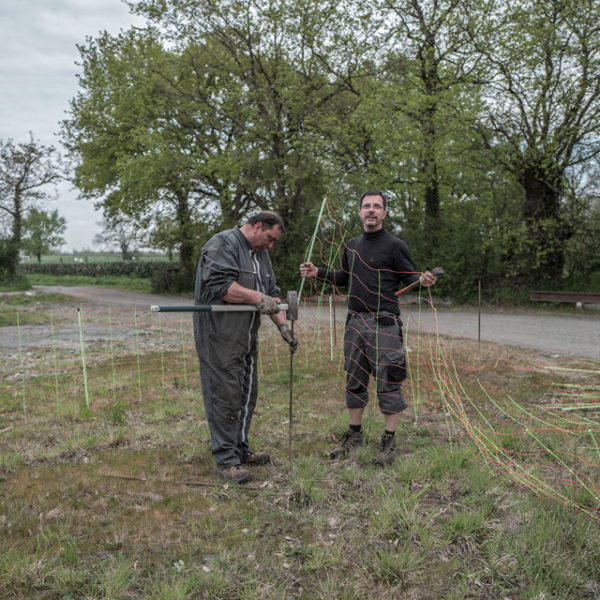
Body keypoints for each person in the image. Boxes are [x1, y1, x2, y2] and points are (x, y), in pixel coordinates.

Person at [299, 191, 436, 465]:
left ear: (384, 213)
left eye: (377, 206)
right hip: (355, 323)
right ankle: (354, 435)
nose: (371, 210)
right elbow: (345, 278)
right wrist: (319, 273)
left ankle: (389, 440)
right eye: (367, 206)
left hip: (384, 323)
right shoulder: (351, 246)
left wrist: (422, 279)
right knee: (354, 381)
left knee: (389, 379)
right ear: (359, 212)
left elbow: (410, 277)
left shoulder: (395, 245)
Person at [193, 211, 298, 484]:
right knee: (225, 395)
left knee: (247, 394)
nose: (271, 246)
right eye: (270, 239)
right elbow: (223, 287)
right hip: (219, 336)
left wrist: (282, 327)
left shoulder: (260, 254)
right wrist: (257, 297)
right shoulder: (223, 244)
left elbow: (271, 295)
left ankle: (240, 448)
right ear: (257, 226)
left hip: (246, 336)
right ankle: (225, 459)